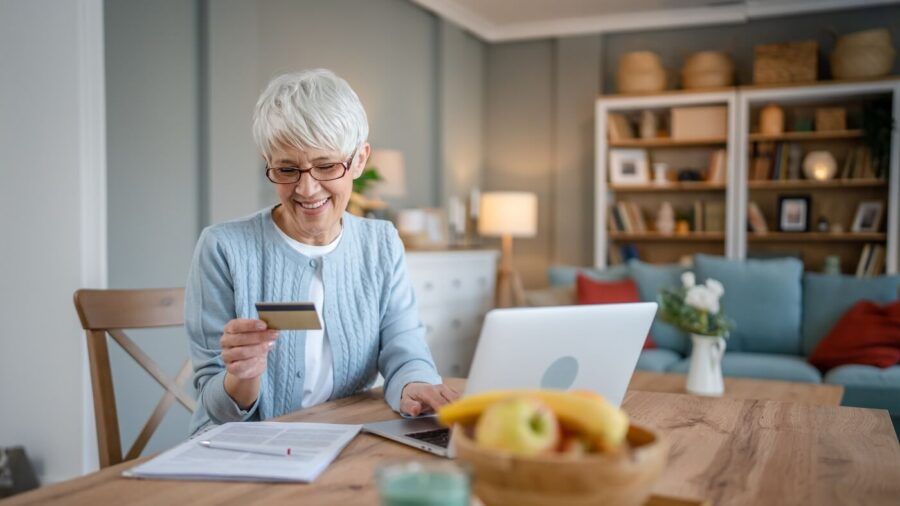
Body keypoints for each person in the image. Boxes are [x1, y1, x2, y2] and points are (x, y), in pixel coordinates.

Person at [185, 69, 458, 435]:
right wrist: (242, 377)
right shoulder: (222, 248)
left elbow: (404, 347)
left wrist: (415, 386)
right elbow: (214, 409)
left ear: (359, 160)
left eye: (326, 165)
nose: (307, 188)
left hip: (345, 440)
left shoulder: (380, 243)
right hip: (244, 450)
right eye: (287, 169)